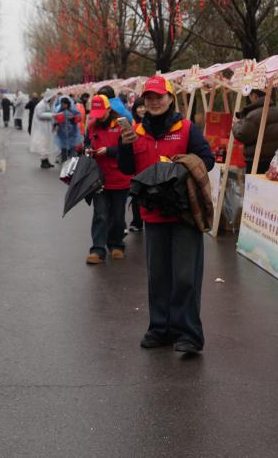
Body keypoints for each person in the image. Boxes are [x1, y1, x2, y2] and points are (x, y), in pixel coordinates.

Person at [118, 75, 214, 357]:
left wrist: (181, 166)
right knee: (158, 276)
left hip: (184, 214)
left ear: (170, 98)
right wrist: (124, 145)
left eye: (159, 97)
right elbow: (126, 169)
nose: (154, 102)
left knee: (185, 276)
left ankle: (188, 335)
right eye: (149, 98)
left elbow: (206, 159)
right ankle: (160, 329)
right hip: (153, 214)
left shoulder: (186, 129)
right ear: (143, 103)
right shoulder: (135, 131)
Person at [84, 95, 129, 266]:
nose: (98, 116)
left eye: (101, 112)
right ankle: (97, 249)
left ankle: (116, 244)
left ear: (109, 109)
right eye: (96, 113)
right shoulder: (91, 126)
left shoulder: (122, 124)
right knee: (100, 214)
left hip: (120, 177)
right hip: (98, 178)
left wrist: (109, 151)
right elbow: (87, 144)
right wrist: (88, 150)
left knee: (117, 215)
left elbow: (130, 147)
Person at [232, 88, 278, 175]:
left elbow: (242, 135)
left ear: (255, 96)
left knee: (254, 187)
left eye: (250, 96)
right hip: (276, 161)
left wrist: (236, 125)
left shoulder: (254, 115)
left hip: (256, 161)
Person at [126, 95, 146, 233]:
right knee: (136, 193)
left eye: (144, 106)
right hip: (137, 164)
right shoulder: (133, 126)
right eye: (139, 107)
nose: (142, 109)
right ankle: (137, 221)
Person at [29, 92, 58, 169]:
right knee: (43, 145)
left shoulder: (47, 104)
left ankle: (46, 160)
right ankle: (43, 161)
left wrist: (54, 122)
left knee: (47, 144)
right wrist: (52, 115)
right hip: (41, 128)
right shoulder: (41, 105)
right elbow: (40, 115)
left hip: (46, 127)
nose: (54, 99)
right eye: (53, 98)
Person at [54, 97, 82, 163]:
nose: (63, 106)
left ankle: (72, 163)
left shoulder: (73, 110)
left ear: (67, 104)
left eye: (64, 104)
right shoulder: (60, 110)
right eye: (62, 104)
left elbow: (80, 117)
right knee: (63, 148)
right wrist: (56, 124)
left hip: (72, 133)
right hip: (62, 133)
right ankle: (64, 162)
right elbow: (56, 119)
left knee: (72, 149)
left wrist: (73, 118)